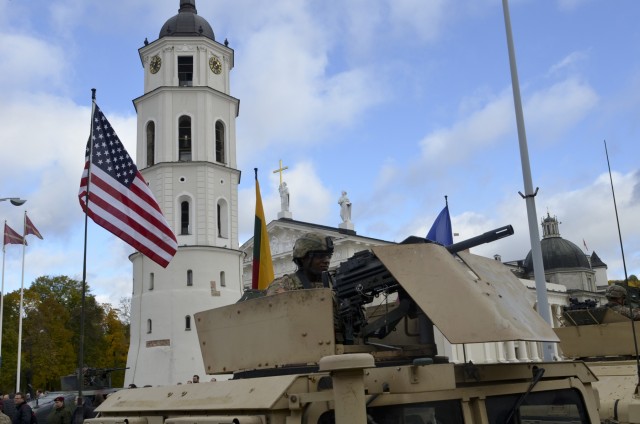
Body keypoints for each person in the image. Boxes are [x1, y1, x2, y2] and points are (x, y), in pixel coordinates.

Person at [266, 232, 334, 295]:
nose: (327, 260)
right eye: (320, 256)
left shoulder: (334, 282)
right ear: (303, 258)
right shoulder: (283, 284)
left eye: (329, 256)